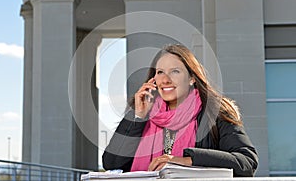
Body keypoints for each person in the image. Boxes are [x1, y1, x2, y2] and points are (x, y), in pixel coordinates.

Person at [102, 44, 258, 177]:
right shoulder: (143, 113)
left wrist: (186, 160)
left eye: (175, 71)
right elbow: (111, 163)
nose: (165, 79)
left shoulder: (215, 112)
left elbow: (247, 162)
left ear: (192, 78)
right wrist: (138, 117)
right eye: (160, 72)